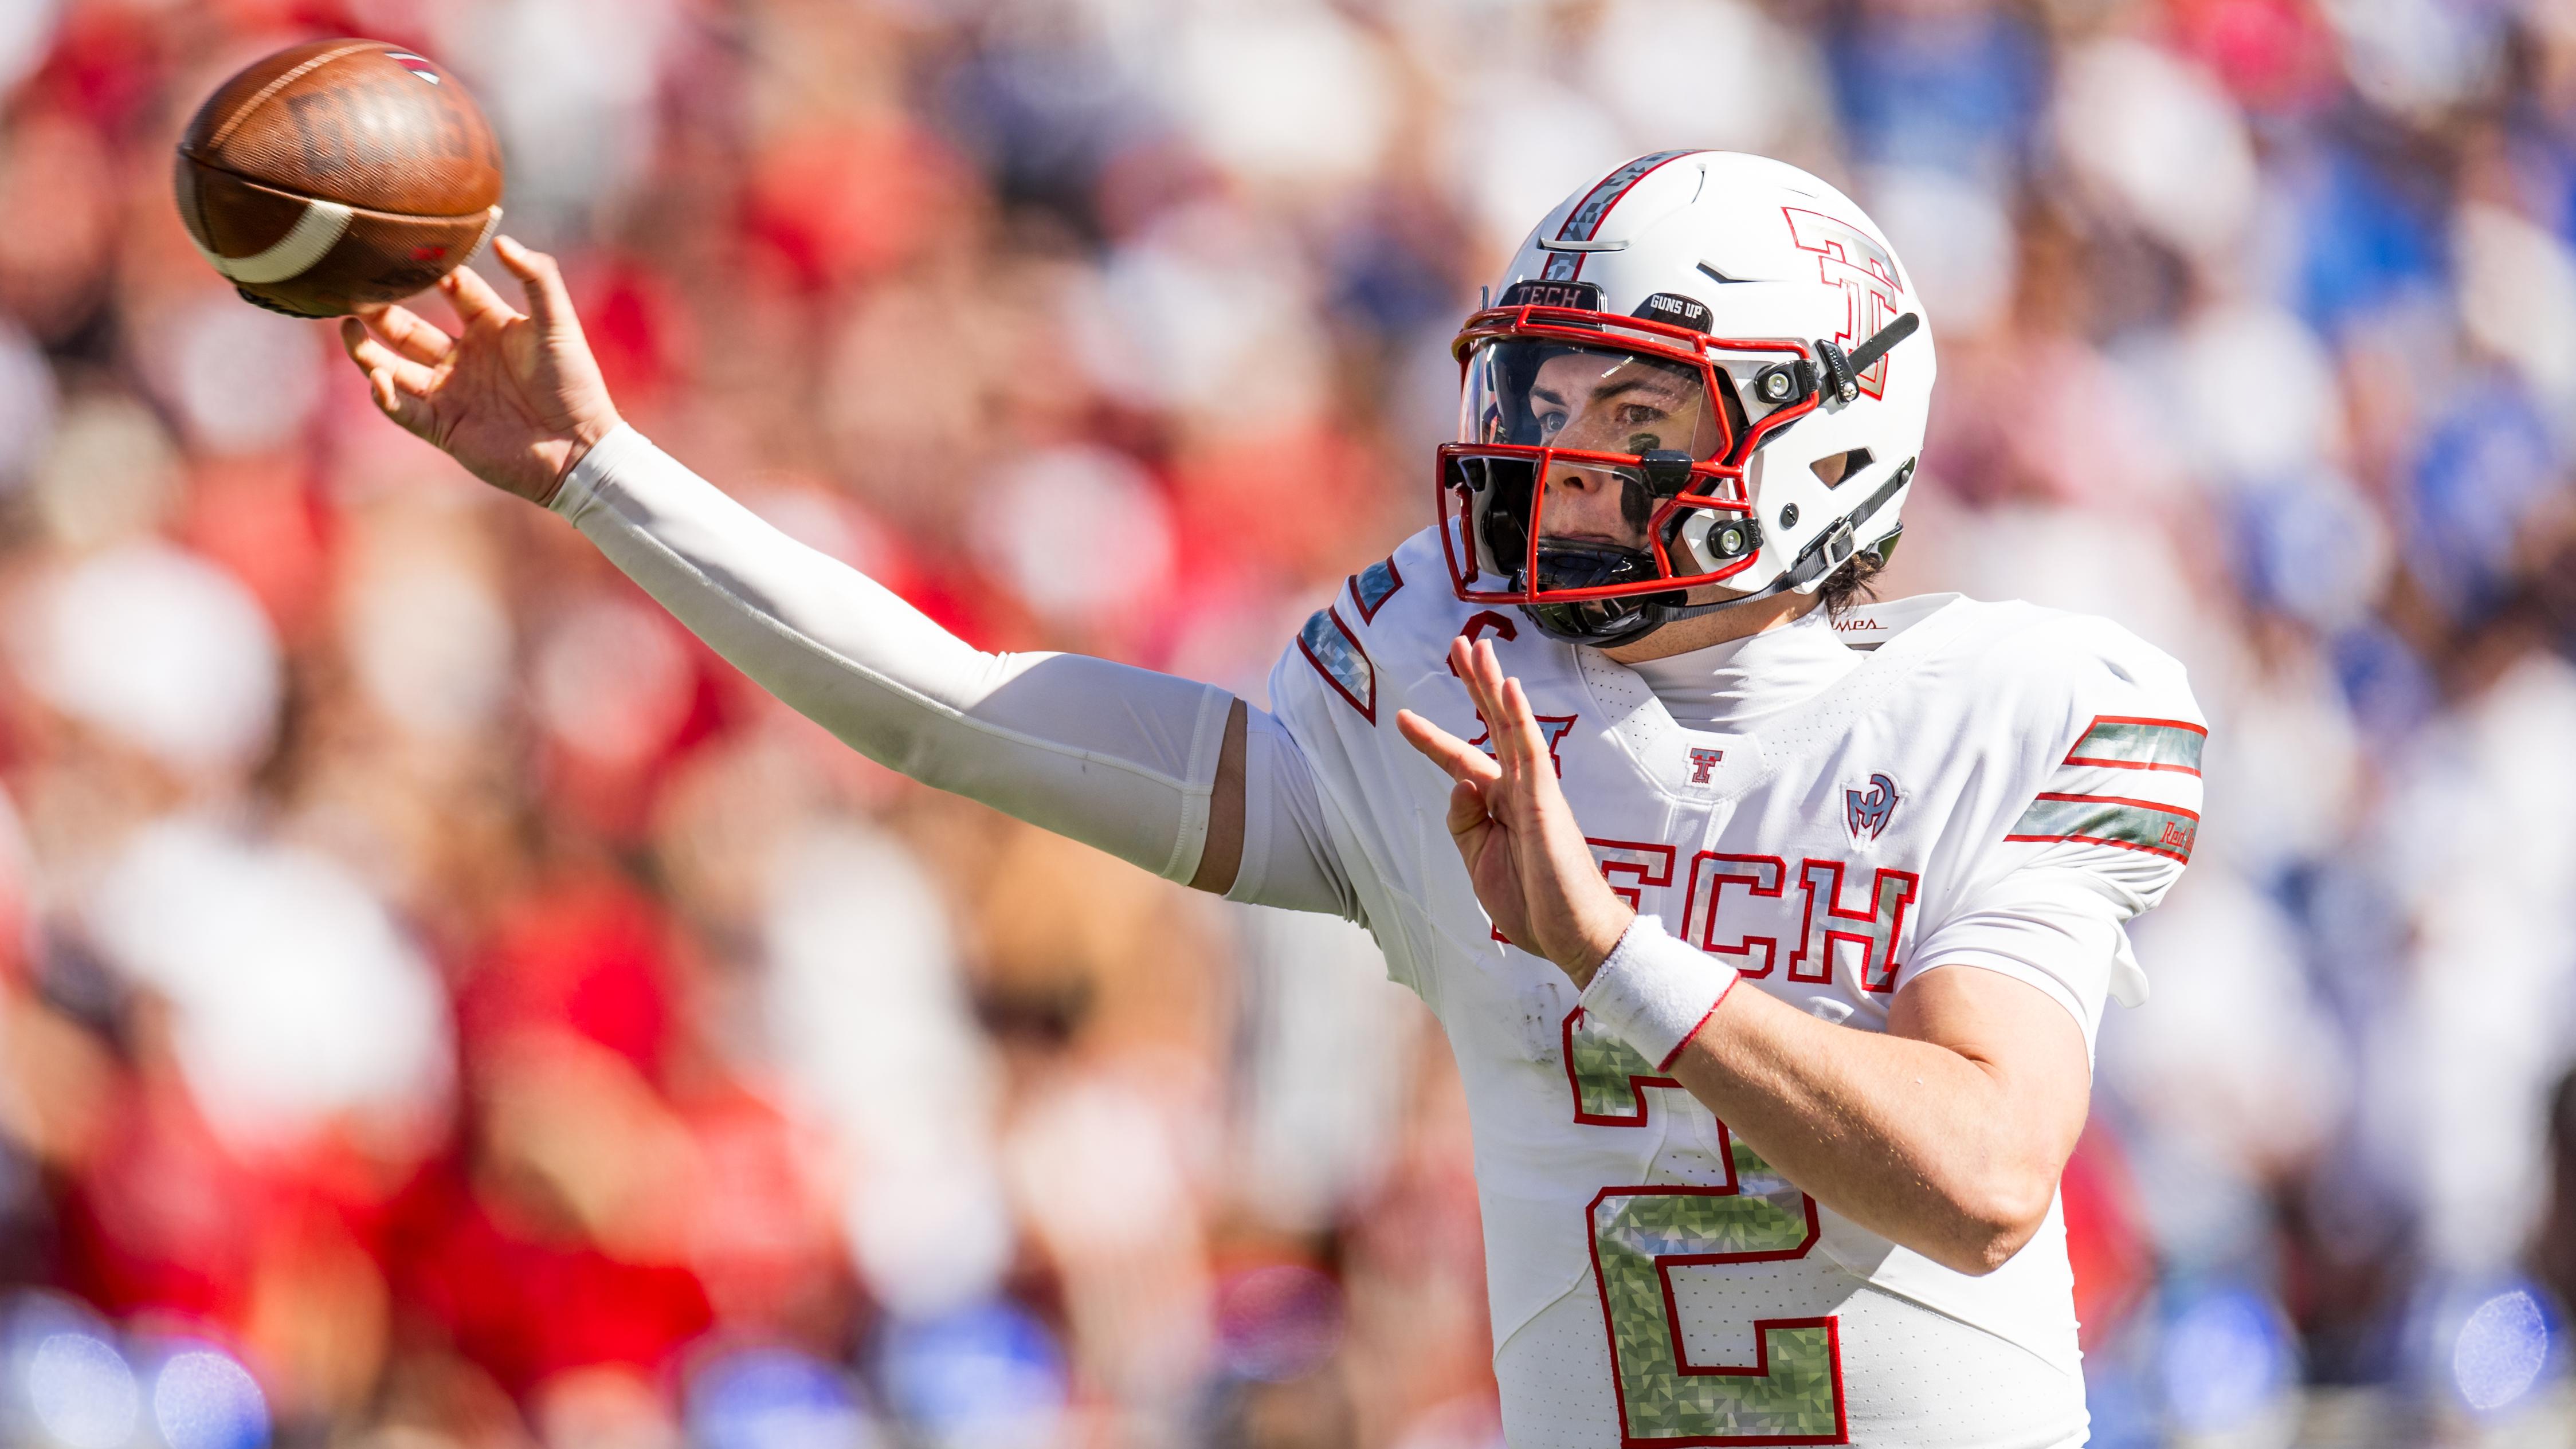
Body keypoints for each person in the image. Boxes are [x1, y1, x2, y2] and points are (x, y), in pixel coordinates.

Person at [340, 151, 2203, 1446]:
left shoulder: (2018, 702)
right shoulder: (1457, 683)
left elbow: (1979, 1177)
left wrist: (1612, 949)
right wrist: (604, 476)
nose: (1551, 463)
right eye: (1543, 396)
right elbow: (966, 718)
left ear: (1823, 440)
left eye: (1631, 415)